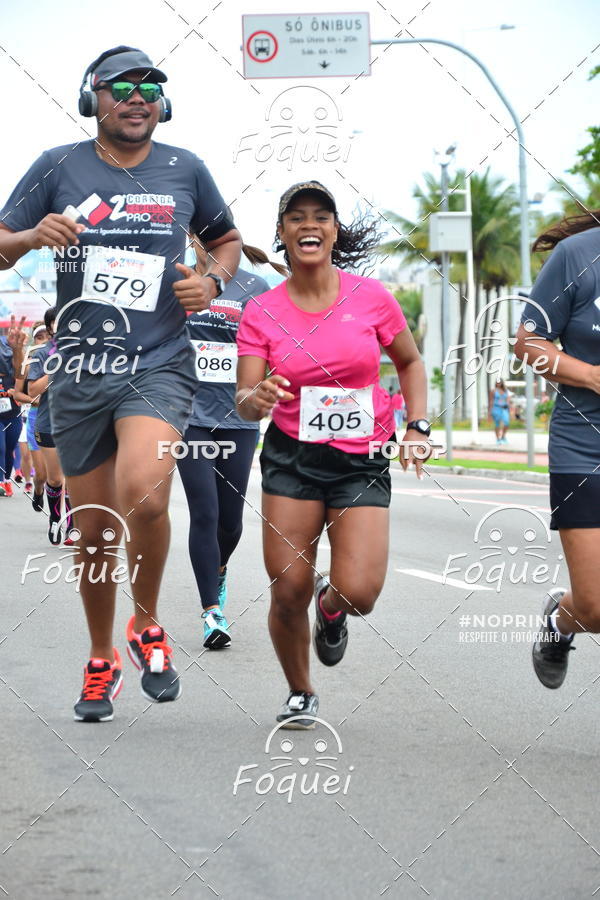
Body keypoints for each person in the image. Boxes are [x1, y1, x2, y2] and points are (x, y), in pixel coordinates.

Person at [0, 45, 241, 722]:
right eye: (123, 87)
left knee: (146, 492)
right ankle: (102, 656)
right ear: (94, 98)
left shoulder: (186, 168)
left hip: (159, 361)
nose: (139, 97)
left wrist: (213, 280)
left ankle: (147, 623)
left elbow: (224, 238)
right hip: (80, 369)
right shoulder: (56, 166)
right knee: (99, 530)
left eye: (152, 87)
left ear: (163, 102)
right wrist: (27, 239)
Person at [235, 181, 430, 727]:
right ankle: (300, 690)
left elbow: (410, 363)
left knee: (361, 592)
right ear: (282, 234)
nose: (309, 226)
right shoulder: (262, 312)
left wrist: (416, 426)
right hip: (293, 458)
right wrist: (260, 396)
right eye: (295, 218)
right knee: (288, 587)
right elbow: (245, 400)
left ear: (334, 231)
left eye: (320, 216)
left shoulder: (371, 298)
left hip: (360, 458)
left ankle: (333, 607)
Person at [179, 244, 284, 647]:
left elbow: (271, 345)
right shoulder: (181, 280)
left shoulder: (255, 287)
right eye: (201, 232)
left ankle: (219, 569)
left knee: (230, 521)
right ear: (192, 237)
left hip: (239, 416)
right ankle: (211, 612)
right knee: (203, 512)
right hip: (189, 418)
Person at [514, 209, 600, 689]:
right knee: (595, 606)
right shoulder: (578, 255)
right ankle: (561, 621)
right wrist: (589, 374)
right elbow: (528, 342)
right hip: (583, 445)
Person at [25, 307, 74, 544]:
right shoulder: (42, 354)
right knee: (55, 480)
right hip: (48, 423)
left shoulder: (84, 353)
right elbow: (33, 391)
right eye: (57, 322)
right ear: (51, 326)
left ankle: (73, 527)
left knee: (74, 478)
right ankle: (55, 518)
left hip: (78, 424)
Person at [0, 316, 27, 497]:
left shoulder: (14, 368)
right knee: (0, 447)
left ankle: (7, 480)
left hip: (13, 414)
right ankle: (1, 481)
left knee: (9, 448)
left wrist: (17, 349)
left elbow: (21, 374)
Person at [489, 378, 511, 445]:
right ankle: (498, 439)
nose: (498, 384)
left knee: (506, 423)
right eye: (497, 383)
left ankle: (503, 437)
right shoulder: (493, 391)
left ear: (502, 383)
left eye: (499, 382)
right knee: (497, 424)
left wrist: (509, 409)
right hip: (496, 408)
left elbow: (508, 400)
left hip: (504, 408)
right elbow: (491, 401)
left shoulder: (505, 391)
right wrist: (489, 412)